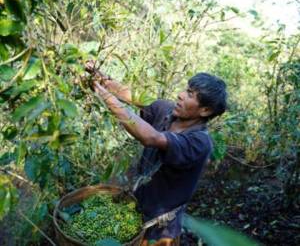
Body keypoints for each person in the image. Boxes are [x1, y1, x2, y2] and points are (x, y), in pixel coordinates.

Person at [85, 61, 227, 246]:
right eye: (186, 89)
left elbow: (151, 138)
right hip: (135, 210)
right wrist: (99, 77)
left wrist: (107, 99)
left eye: (190, 95)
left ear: (205, 110)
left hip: (161, 228)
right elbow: (131, 95)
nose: (180, 95)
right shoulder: (166, 111)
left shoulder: (199, 142)